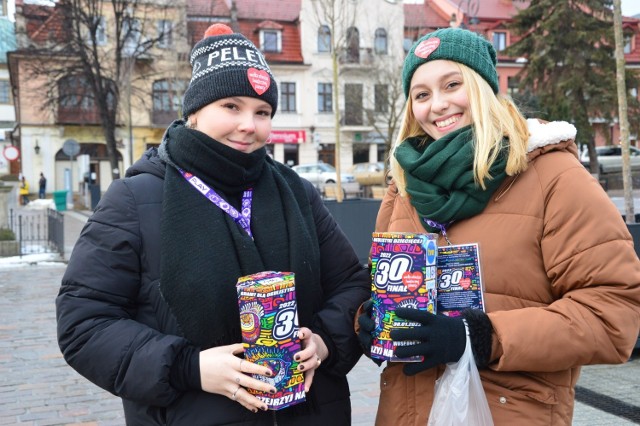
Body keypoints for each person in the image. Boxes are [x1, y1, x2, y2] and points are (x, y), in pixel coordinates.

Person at [56, 24, 369, 425]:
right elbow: (85, 323)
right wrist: (190, 367)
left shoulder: (298, 193)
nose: (248, 125)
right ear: (195, 112)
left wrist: (325, 342)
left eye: (262, 112)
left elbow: (352, 284)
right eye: (231, 106)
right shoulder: (134, 199)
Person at [357, 27, 640, 425]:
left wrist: (481, 337)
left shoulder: (554, 176)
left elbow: (613, 315)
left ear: (483, 87)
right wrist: (368, 320)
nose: (437, 105)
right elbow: (380, 283)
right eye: (421, 94)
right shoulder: (402, 187)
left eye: (451, 84)